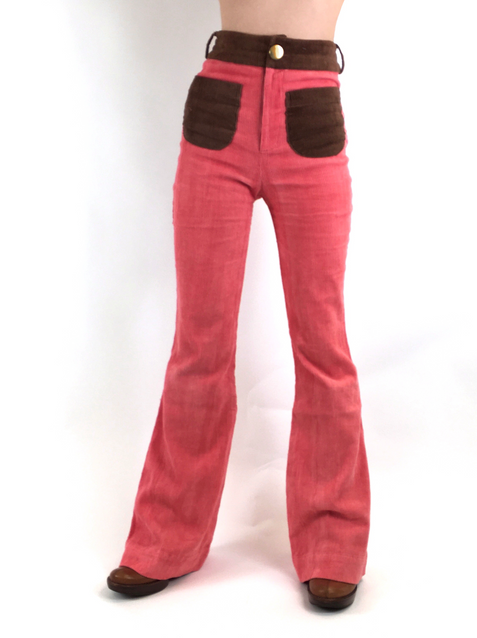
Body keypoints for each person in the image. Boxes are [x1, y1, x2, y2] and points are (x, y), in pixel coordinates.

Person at [107, 0, 370, 610]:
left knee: (323, 345)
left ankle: (334, 542)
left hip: (309, 102)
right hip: (221, 100)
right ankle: (166, 538)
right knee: (198, 346)